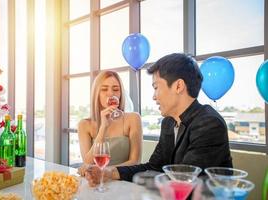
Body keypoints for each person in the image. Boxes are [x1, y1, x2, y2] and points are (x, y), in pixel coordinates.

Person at [85, 53, 233, 185]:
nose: (154, 96)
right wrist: (108, 172)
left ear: (178, 86)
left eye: (156, 87)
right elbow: (154, 167)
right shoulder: (169, 122)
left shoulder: (209, 124)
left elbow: (183, 181)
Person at [77, 70, 142, 176]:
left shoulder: (133, 118)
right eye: (104, 89)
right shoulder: (84, 125)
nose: (111, 94)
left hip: (124, 181)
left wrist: (104, 172)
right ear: (96, 94)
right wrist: (103, 127)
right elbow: (87, 163)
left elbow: (135, 161)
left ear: (121, 94)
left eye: (116, 89)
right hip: (95, 183)